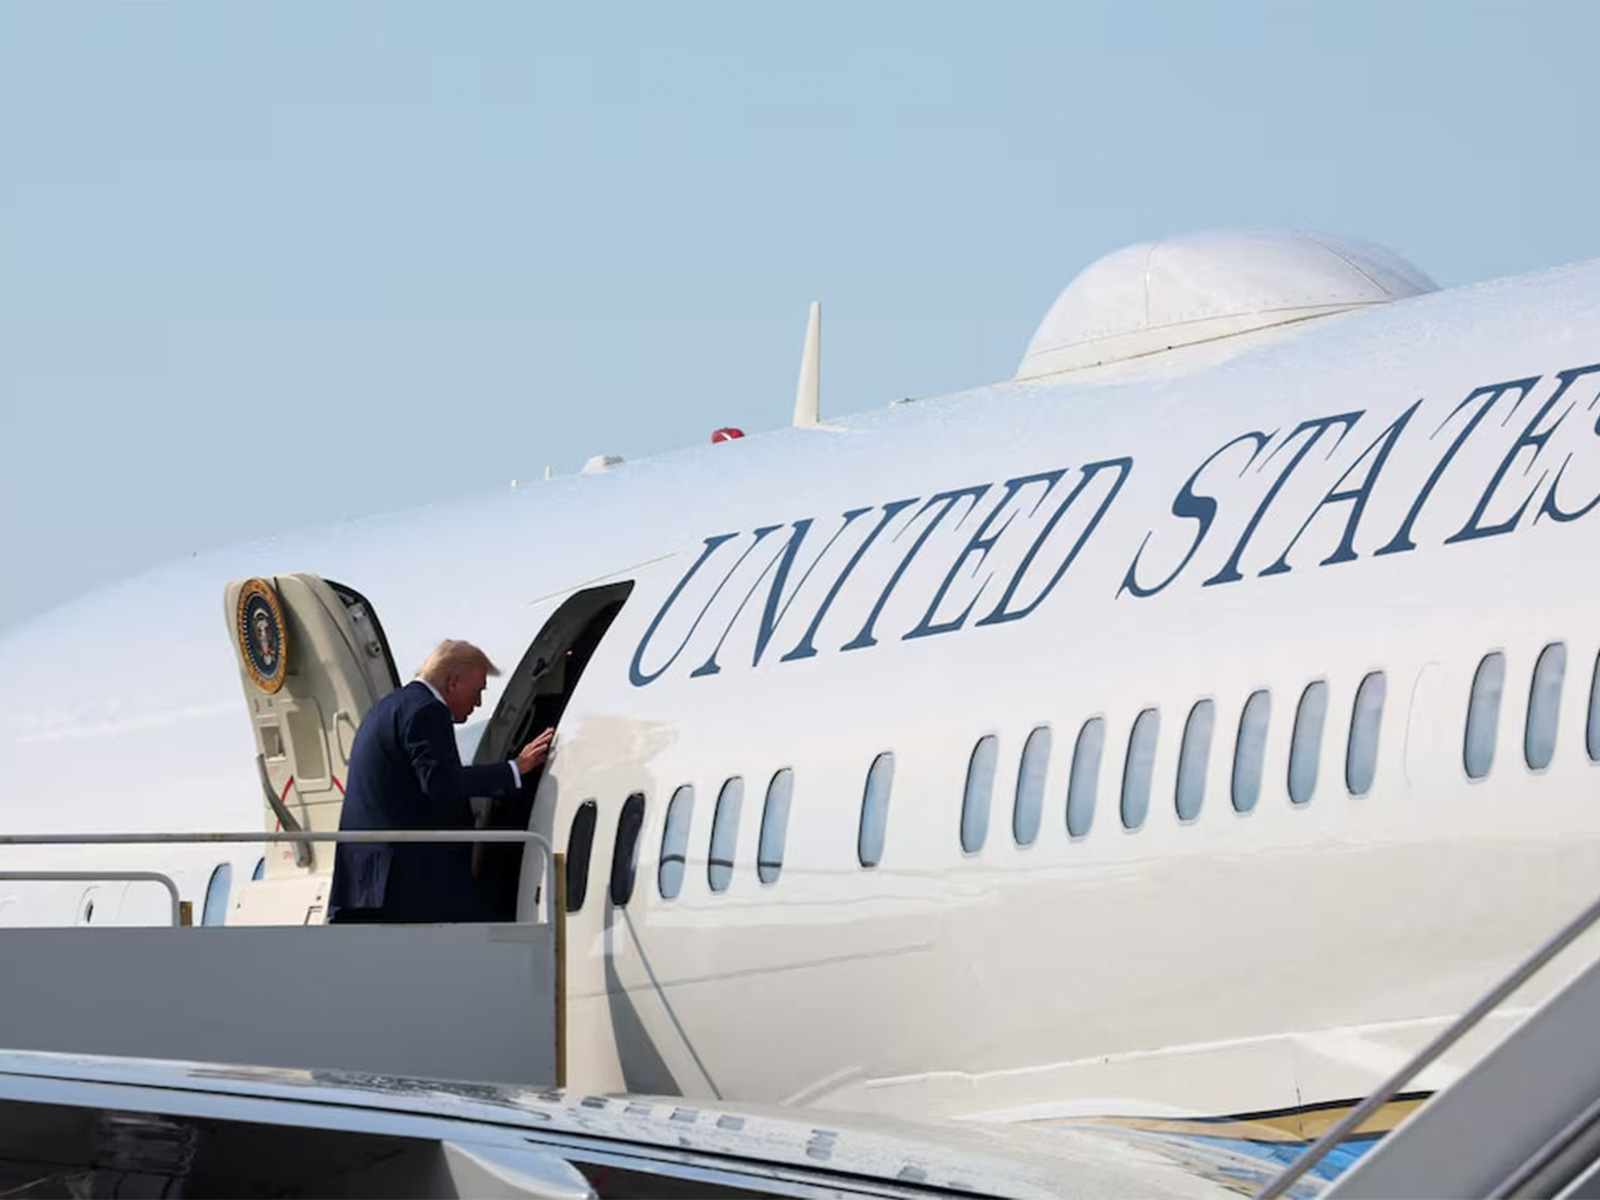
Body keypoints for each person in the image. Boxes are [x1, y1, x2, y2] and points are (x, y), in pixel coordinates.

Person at [328, 639, 552, 924]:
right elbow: (441, 785)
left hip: (366, 883)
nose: (479, 702)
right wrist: (515, 769)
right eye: (479, 689)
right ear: (453, 681)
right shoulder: (426, 710)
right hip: (404, 886)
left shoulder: (387, 708)